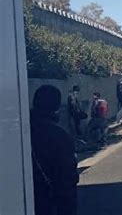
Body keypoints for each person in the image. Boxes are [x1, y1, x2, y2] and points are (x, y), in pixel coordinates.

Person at [30, 85, 79, 215]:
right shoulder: (60, 136)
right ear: (57, 106)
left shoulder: (20, 131)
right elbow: (67, 178)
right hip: (51, 200)